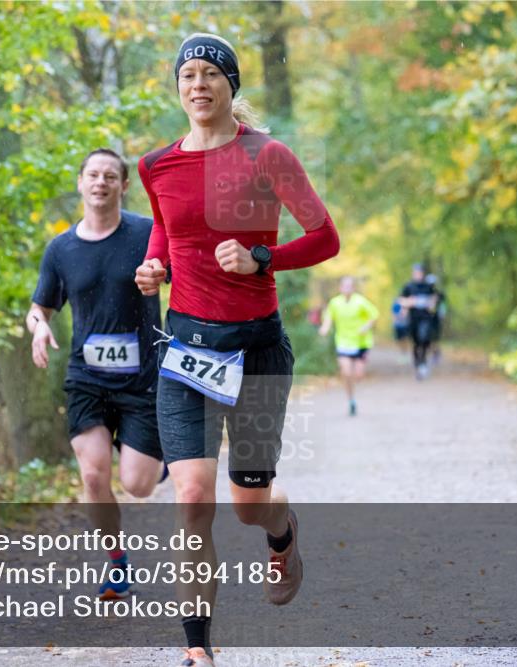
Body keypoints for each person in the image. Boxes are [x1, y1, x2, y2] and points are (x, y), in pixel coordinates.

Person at [134, 32, 339, 667]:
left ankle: (283, 532)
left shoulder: (267, 155)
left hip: (255, 352)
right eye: (187, 75)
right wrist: (152, 266)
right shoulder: (156, 165)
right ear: (178, 88)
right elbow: (168, 231)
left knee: (250, 504)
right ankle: (199, 652)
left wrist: (262, 259)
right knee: (192, 498)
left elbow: (325, 238)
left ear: (231, 86)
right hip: (187, 352)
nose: (197, 84)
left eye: (209, 75)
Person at [27, 148, 165, 601]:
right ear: (81, 182)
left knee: (138, 485)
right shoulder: (61, 248)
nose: (101, 182)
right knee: (91, 476)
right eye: (93, 174)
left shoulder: (147, 232)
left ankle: (148, 458)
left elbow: (178, 276)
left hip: (143, 377)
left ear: (124, 185)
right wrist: (39, 327)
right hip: (87, 377)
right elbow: (38, 308)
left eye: (110, 176)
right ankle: (117, 563)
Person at [319, 276, 379, 416]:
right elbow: (328, 318)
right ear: (340, 288)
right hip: (343, 342)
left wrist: (366, 326)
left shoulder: (360, 301)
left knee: (358, 375)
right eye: (344, 286)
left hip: (361, 343)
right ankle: (351, 400)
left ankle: (354, 387)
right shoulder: (335, 302)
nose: (347, 288)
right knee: (346, 372)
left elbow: (374, 315)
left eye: (349, 286)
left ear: (353, 288)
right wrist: (324, 328)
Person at [399, 263, 438, 380]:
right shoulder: (409, 286)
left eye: (420, 272)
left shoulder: (428, 286)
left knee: (424, 338)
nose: (418, 275)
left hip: (426, 318)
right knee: (416, 343)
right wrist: (409, 303)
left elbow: (434, 298)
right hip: (413, 318)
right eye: (416, 272)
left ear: (423, 273)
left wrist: (431, 303)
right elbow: (401, 301)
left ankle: (423, 362)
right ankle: (418, 365)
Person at [427, 273, 446, 365]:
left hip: (436, 319)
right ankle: (433, 354)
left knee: (435, 338)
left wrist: (442, 314)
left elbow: (443, 306)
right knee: (428, 338)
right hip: (426, 319)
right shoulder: (425, 293)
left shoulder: (439, 294)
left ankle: (436, 354)